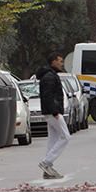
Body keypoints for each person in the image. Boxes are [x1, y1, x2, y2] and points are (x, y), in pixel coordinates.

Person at [36, 51, 69, 179]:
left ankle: (47, 170)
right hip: (53, 112)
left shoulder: (50, 75)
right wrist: (55, 111)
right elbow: (48, 95)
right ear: (53, 61)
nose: (62, 64)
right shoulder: (49, 76)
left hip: (50, 112)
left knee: (53, 140)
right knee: (65, 137)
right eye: (60, 61)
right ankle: (46, 163)